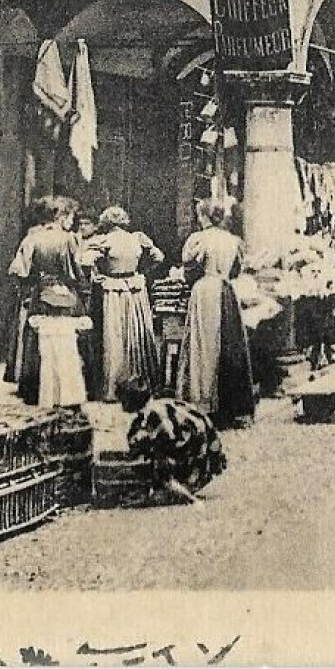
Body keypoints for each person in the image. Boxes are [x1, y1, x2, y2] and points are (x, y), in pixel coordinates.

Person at [179, 197, 256, 426]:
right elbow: (236, 270)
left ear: (203, 216)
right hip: (226, 290)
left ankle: (203, 401)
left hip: (206, 290)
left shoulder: (199, 239)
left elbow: (188, 266)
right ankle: (230, 405)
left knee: (205, 344)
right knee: (229, 342)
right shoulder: (233, 241)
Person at [6, 195, 88, 407]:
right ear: (60, 216)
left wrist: (34, 282)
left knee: (38, 343)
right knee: (67, 343)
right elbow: (76, 270)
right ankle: (66, 393)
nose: (71, 221)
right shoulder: (68, 239)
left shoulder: (32, 238)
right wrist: (82, 288)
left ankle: (36, 390)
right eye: (69, 216)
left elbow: (18, 270)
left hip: (40, 291)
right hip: (65, 292)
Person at [86, 206, 165, 400]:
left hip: (113, 290)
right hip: (135, 290)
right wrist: (144, 271)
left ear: (106, 222)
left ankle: (113, 386)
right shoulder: (136, 238)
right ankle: (139, 382)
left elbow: (84, 261)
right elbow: (159, 257)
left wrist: (96, 275)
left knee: (115, 335)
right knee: (136, 333)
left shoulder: (103, 240)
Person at [117, 376, 227, 506]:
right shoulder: (159, 405)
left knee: (154, 461)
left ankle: (184, 492)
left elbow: (167, 442)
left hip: (199, 459)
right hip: (205, 449)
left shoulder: (154, 416)